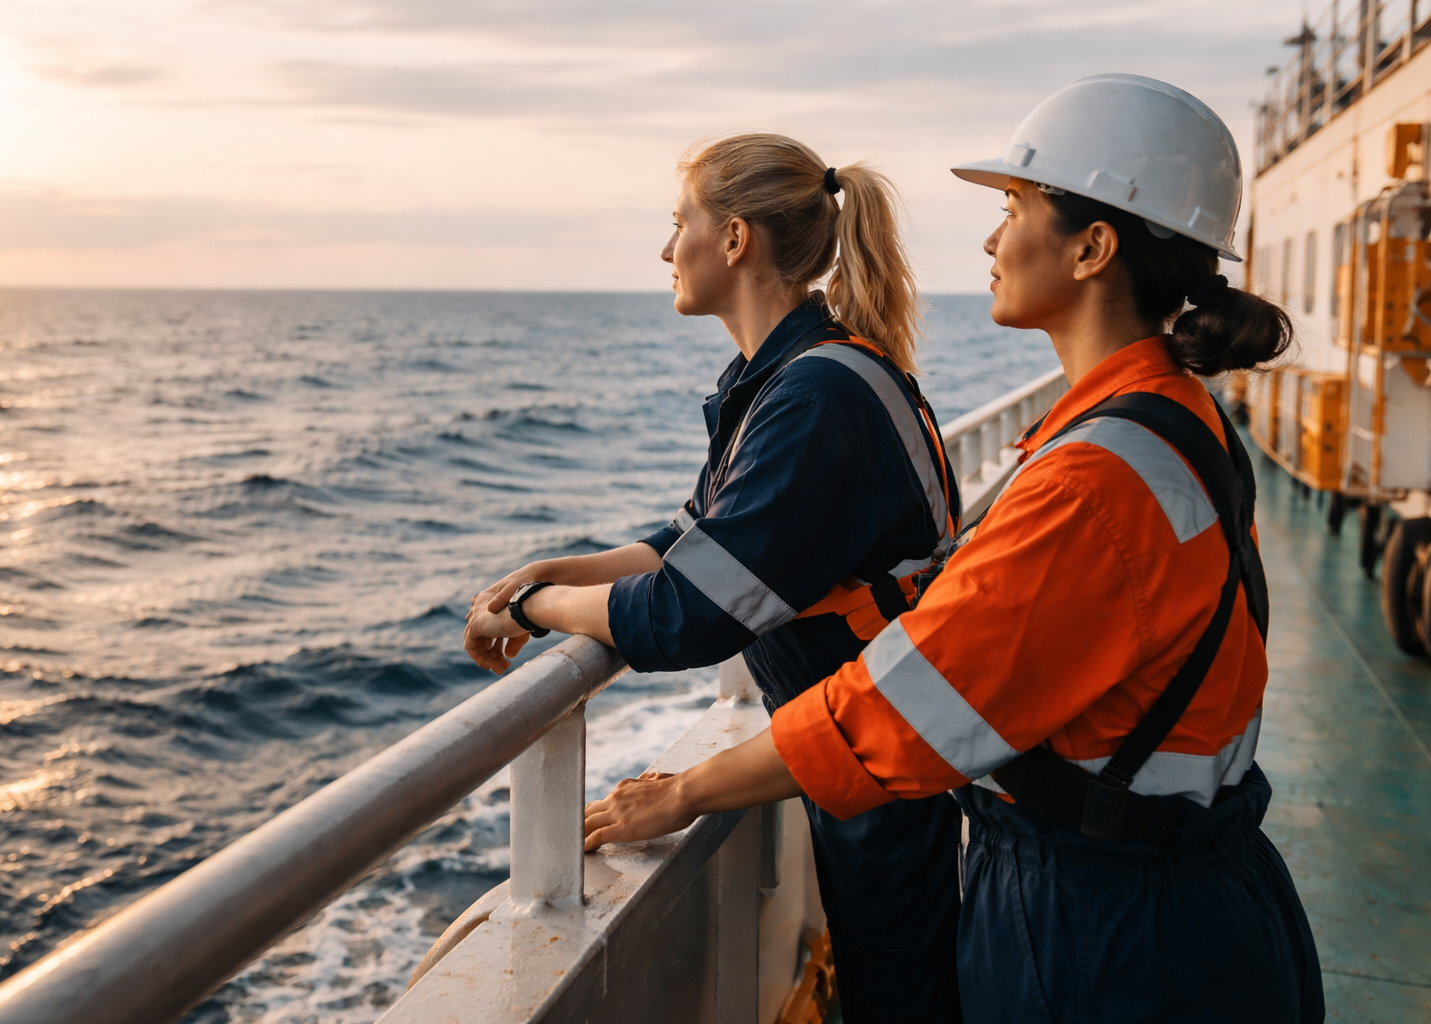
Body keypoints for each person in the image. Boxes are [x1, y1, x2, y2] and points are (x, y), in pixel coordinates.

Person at [581, 75, 1327, 1023]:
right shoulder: (1174, 424)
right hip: (1194, 886)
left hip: (1117, 935)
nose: (990, 238)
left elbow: (899, 711)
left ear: (1093, 248)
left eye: (1015, 206)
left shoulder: (1092, 482)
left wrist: (684, 790)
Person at [464, 133, 964, 1022]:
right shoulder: (788, 378)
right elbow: (691, 543)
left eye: (678, 224)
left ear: (735, 240)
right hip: (866, 747)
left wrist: (540, 609)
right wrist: (547, 573)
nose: (666, 250)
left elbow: (683, 616)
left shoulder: (815, 399)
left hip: (898, 775)